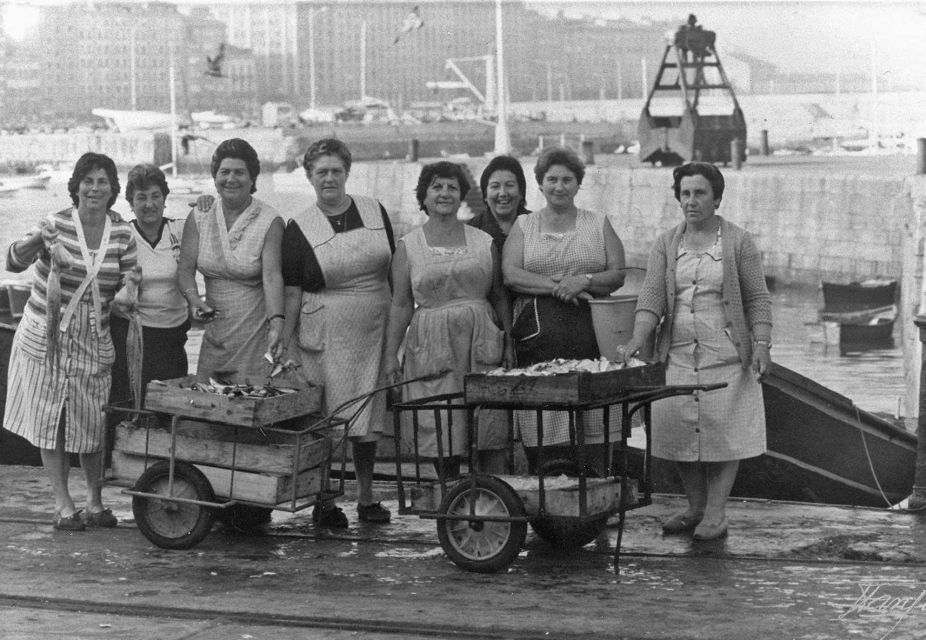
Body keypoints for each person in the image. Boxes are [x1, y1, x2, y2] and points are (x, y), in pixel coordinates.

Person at [617, 162, 772, 541]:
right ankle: (696, 506)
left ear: (717, 198)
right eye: (685, 193)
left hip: (726, 356)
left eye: (700, 193)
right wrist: (639, 337)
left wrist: (762, 343)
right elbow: (652, 297)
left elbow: (757, 299)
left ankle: (716, 513)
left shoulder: (738, 242)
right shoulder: (667, 243)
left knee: (723, 432)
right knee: (679, 431)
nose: (691, 201)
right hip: (678, 354)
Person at [4, 152, 138, 531]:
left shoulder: (123, 233)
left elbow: (129, 282)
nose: (95, 188)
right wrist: (35, 241)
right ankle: (63, 504)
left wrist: (130, 292)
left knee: (92, 420)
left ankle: (95, 503)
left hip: (94, 333)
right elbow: (13, 262)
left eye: (103, 182)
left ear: (113, 190)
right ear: (76, 185)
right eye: (88, 180)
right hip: (46, 329)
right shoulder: (55, 224)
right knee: (51, 417)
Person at [280, 138, 394, 527]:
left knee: (370, 418)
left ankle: (366, 498)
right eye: (321, 172)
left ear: (347, 172)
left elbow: (395, 271)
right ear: (309, 177)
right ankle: (324, 501)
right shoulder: (299, 227)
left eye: (336, 171)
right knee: (330, 421)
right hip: (326, 335)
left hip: (375, 330)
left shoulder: (375, 210)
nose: (329, 178)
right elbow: (292, 290)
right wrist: (285, 341)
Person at [501, 146, 627, 475]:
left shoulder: (598, 223)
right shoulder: (524, 225)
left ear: (578, 183)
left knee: (594, 421)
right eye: (552, 179)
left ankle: (597, 494)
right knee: (545, 420)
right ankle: (548, 499)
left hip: (592, 333)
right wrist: (560, 285)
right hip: (538, 336)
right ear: (540, 184)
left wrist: (583, 280)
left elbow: (617, 273)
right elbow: (511, 274)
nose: (559, 186)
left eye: (567, 179)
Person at [385, 161, 513, 478]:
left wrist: (508, 339)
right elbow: (401, 304)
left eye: (452, 187)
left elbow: (498, 295)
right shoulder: (408, 246)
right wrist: (391, 354)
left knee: (487, 425)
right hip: (432, 344)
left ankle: (489, 501)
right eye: (437, 187)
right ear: (424, 197)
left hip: (480, 338)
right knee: (440, 425)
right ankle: (450, 501)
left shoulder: (484, 241)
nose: (445, 193)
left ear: (461, 196)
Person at [178, 138, 285, 382]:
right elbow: (185, 269)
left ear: (252, 178)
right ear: (215, 177)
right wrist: (194, 300)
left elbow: (272, 276)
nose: (231, 179)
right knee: (209, 406)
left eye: (239, 172)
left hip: (255, 337)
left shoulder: (270, 221)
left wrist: (277, 322)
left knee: (251, 406)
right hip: (214, 336)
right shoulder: (200, 215)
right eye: (224, 172)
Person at [110, 164, 188, 408]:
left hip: (174, 336)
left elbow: (212, 225)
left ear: (165, 199)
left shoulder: (181, 229)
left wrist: (207, 203)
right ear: (131, 203)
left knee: (171, 408)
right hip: (132, 334)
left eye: (155, 196)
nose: (149, 204)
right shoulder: (122, 234)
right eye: (141, 198)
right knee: (130, 405)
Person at [468, 155, 531, 253]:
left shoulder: (538, 225)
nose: (502, 193)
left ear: (521, 192)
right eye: (495, 186)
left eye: (509, 185)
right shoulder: (472, 230)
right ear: (485, 194)